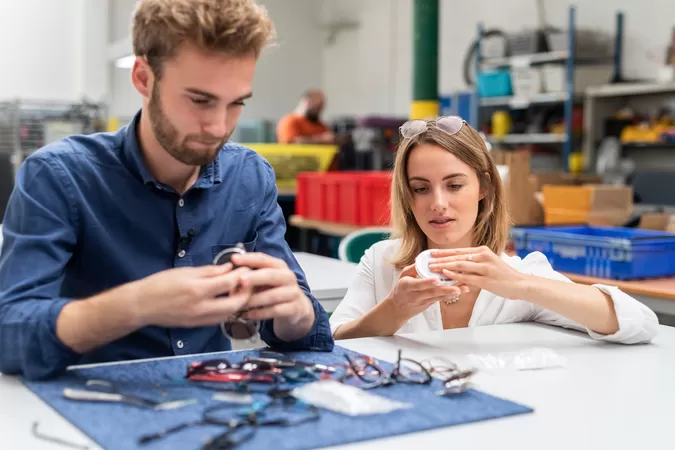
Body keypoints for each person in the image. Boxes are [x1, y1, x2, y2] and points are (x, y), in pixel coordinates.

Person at [0, 0, 333, 381]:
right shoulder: (59, 177)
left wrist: (295, 312)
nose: (218, 126)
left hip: (211, 403)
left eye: (236, 103)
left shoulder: (249, 177)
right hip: (87, 408)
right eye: (200, 100)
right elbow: (10, 335)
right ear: (143, 77)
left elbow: (305, 333)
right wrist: (135, 304)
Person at [329, 116, 659, 344]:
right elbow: (331, 343)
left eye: (454, 185)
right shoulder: (382, 263)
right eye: (421, 188)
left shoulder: (516, 275)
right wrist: (394, 310)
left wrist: (519, 285)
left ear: (484, 187)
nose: (438, 203)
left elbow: (640, 322)